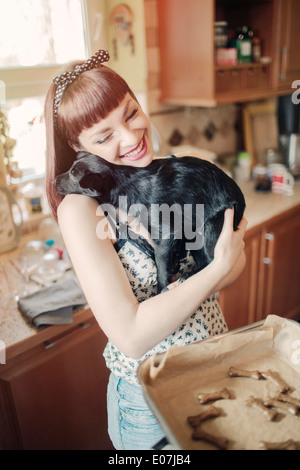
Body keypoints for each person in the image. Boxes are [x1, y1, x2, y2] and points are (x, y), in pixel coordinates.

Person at [44, 49, 247, 450]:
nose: (132, 136)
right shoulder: (82, 208)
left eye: (131, 113)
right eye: (104, 136)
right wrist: (217, 268)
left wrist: (220, 264)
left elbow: (233, 262)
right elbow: (131, 336)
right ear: (77, 145)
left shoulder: (181, 171)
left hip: (215, 366)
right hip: (149, 401)